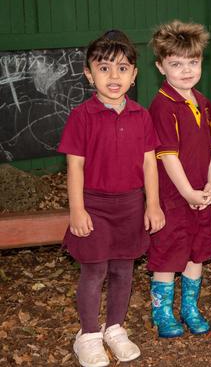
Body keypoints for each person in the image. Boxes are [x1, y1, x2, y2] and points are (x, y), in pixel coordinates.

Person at [59, 30, 165, 367]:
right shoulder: (82, 117)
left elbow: (150, 163)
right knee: (94, 271)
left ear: (134, 75)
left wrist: (152, 204)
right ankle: (88, 334)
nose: (113, 76)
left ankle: (114, 327)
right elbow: (75, 167)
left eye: (122, 68)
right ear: (89, 74)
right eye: (104, 69)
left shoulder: (142, 116)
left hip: (131, 205)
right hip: (94, 206)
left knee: (123, 270)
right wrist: (77, 210)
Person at [147, 21, 211, 338]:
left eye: (193, 62)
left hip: (200, 195)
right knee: (168, 253)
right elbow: (168, 155)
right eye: (176, 64)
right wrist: (188, 191)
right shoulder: (163, 106)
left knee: (197, 250)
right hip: (173, 198)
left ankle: (189, 307)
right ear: (161, 66)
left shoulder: (203, 102)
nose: (186, 70)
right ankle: (162, 312)